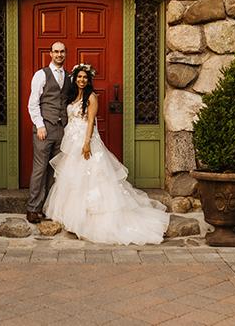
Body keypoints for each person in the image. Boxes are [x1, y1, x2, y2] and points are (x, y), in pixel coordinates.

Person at [44, 64, 170, 244]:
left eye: (85, 78)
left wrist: (86, 143)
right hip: (71, 142)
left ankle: (92, 221)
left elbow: (90, 122)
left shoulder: (92, 97)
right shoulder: (73, 97)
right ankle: (74, 219)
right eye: (79, 77)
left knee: (92, 178)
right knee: (74, 180)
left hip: (85, 141)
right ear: (75, 79)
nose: (82, 80)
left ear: (89, 80)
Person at [26, 41, 70, 224]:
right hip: (45, 128)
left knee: (55, 170)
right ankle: (32, 208)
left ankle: (47, 207)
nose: (59, 55)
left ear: (65, 54)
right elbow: (33, 102)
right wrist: (40, 125)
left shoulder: (69, 76)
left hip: (62, 129)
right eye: (56, 52)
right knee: (39, 169)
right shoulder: (41, 75)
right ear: (50, 54)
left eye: (62, 52)